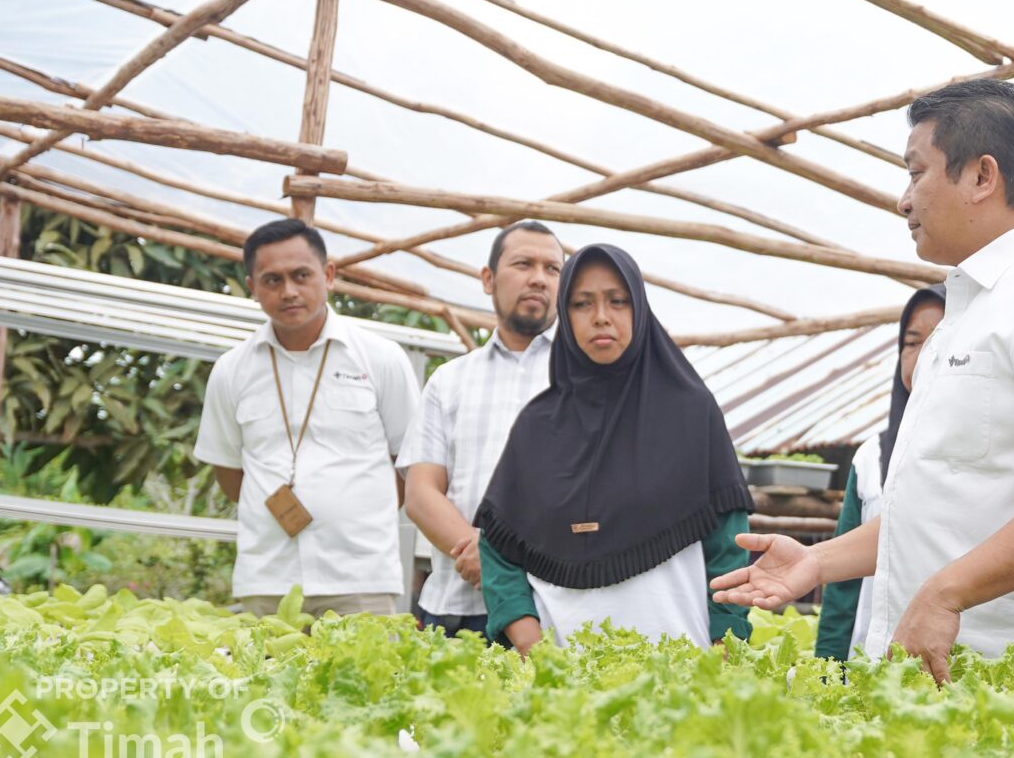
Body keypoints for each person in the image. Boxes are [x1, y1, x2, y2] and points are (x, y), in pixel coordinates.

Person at [715, 79, 1014, 683]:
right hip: (949, 681)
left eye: (916, 172)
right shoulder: (963, 315)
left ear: (981, 177)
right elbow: (942, 504)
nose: (903, 200)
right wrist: (817, 561)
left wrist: (945, 594)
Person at [477, 243, 753, 652]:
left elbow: (729, 547)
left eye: (617, 301)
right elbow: (499, 551)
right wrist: (532, 649)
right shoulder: (536, 426)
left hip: (677, 674)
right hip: (557, 683)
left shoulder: (690, 413)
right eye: (582, 303)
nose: (601, 317)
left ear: (639, 310)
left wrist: (723, 648)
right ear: (565, 317)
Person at [194, 219, 420, 617]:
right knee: (265, 679)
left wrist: (355, 511)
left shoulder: (381, 358)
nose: (289, 291)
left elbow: (410, 465)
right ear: (253, 288)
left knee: (365, 678)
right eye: (272, 280)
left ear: (328, 275)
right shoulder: (232, 370)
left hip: (361, 578)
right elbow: (230, 474)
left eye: (302, 275)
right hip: (267, 580)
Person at [398, 221, 564, 639]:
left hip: (552, 611)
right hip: (456, 608)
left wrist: (496, 557)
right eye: (523, 263)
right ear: (488, 279)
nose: (538, 279)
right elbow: (420, 493)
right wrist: (486, 561)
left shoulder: (587, 381)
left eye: (553, 269)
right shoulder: (449, 380)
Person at [814, 284, 946, 661]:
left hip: (956, 662)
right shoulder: (871, 456)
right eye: (911, 342)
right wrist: (828, 666)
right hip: (870, 663)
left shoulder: (993, 454)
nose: (921, 356)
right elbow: (843, 587)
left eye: (939, 339)